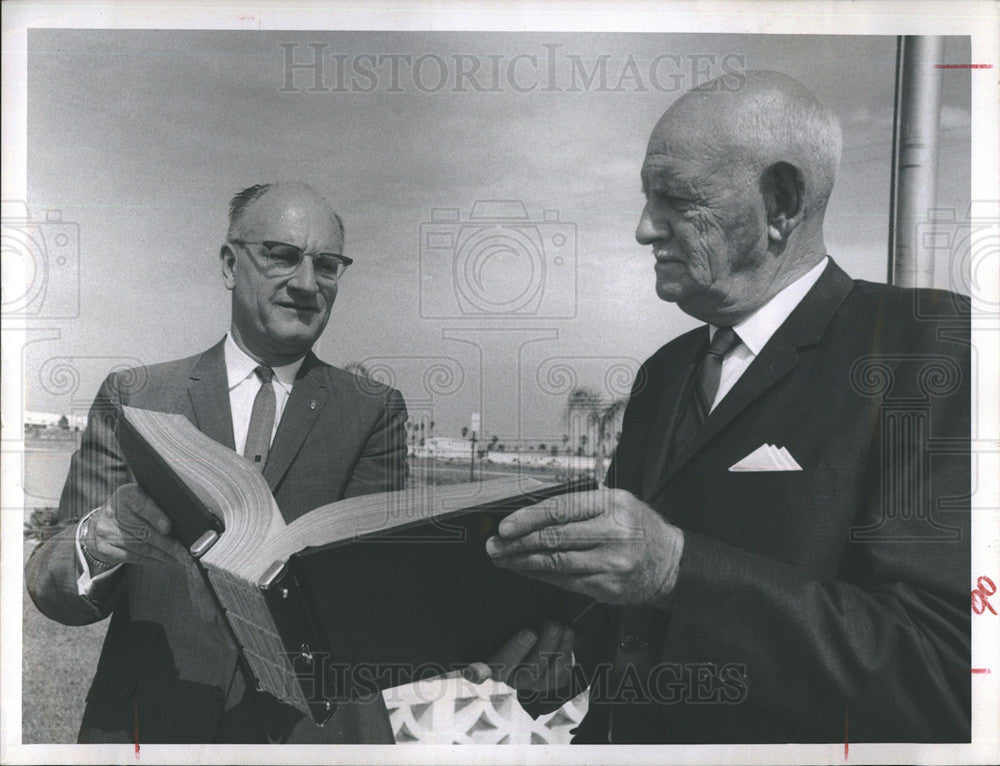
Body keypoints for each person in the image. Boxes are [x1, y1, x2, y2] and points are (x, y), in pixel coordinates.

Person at [477, 71, 971, 743]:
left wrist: (680, 569)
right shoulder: (664, 375)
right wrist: (563, 651)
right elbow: (633, 625)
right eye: (647, 198)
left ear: (781, 203)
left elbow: (946, 671)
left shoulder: (930, 351)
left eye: (676, 199)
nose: (644, 229)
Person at [25, 182, 409, 743]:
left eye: (326, 266)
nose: (306, 283)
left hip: (314, 733)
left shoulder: (372, 410)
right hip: (154, 724)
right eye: (281, 255)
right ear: (230, 264)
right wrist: (98, 539)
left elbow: (377, 584)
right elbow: (49, 578)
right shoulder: (135, 395)